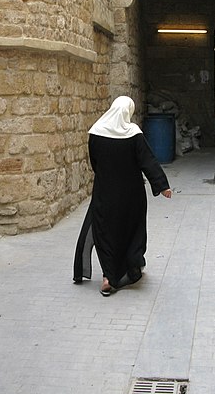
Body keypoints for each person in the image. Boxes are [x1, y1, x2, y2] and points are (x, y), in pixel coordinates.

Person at [73, 96, 173, 296]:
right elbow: (148, 161)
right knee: (131, 231)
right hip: (131, 196)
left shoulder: (96, 132)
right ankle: (130, 267)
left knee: (106, 233)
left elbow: (94, 163)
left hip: (104, 193)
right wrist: (162, 186)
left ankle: (108, 277)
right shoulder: (133, 133)